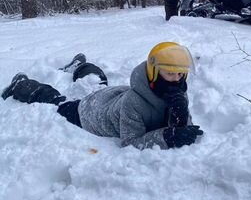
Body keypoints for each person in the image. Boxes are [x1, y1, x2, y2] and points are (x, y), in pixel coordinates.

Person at [1, 43, 203, 150]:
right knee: (59, 102)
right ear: (154, 72)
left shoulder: (177, 92)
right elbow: (130, 142)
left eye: (180, 74)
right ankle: (22, 85)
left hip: (112, 98)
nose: (176, 79)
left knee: (96, 85)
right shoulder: (135, 102)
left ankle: (80, 67)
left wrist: (180, 112)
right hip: (92, 113)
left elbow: (182, 130)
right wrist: (166, 137)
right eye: (170, 73)